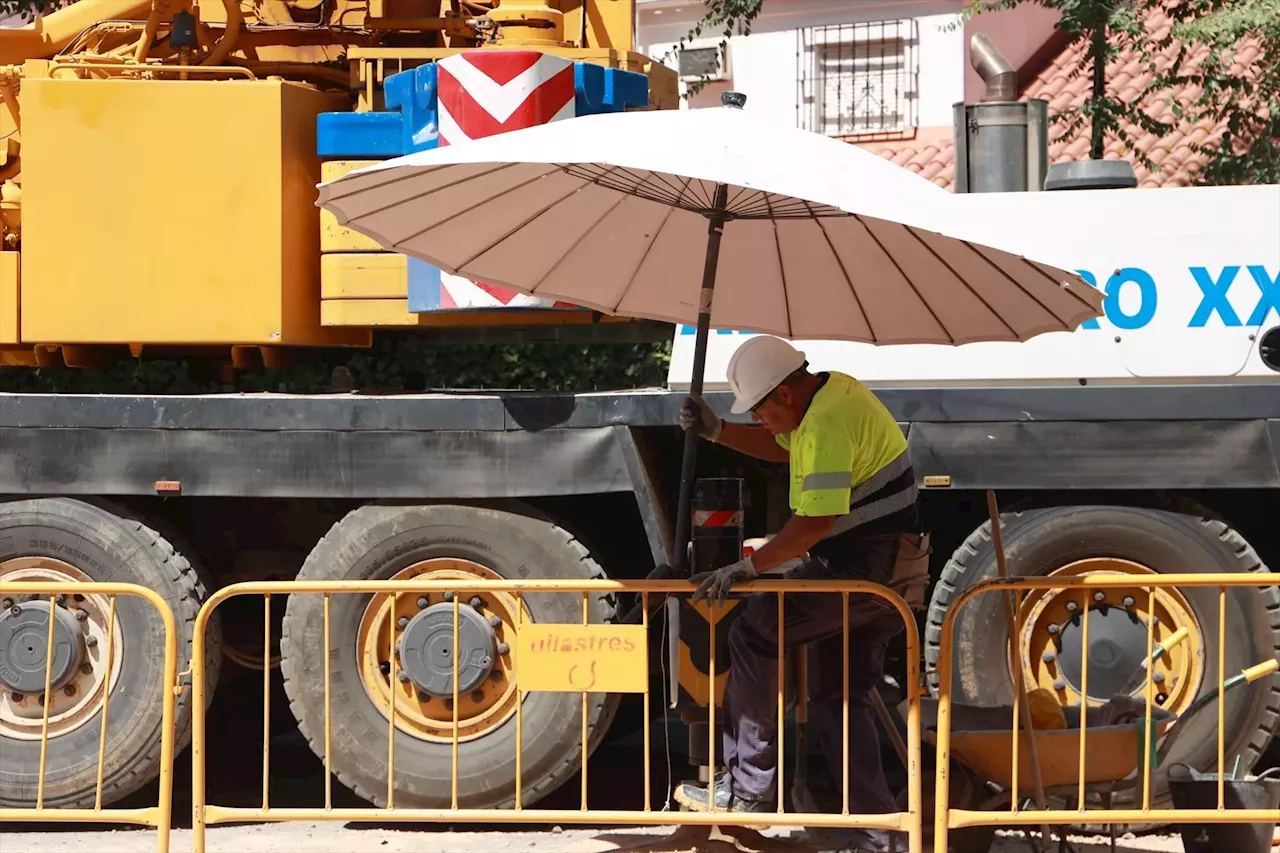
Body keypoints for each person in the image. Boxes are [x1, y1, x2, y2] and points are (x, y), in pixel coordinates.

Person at [672, 335, 928, 853]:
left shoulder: (828, 420)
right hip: (893, 568)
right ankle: (877, 835)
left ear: (785, 394)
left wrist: (749, 567)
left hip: (866, 568)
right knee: (840, 696)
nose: (760, 421)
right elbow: (780, 445)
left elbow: (815, 521)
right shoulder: (827, 398)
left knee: (757, 632)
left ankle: (747, 788)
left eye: (760, 410)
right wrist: (719, 430)